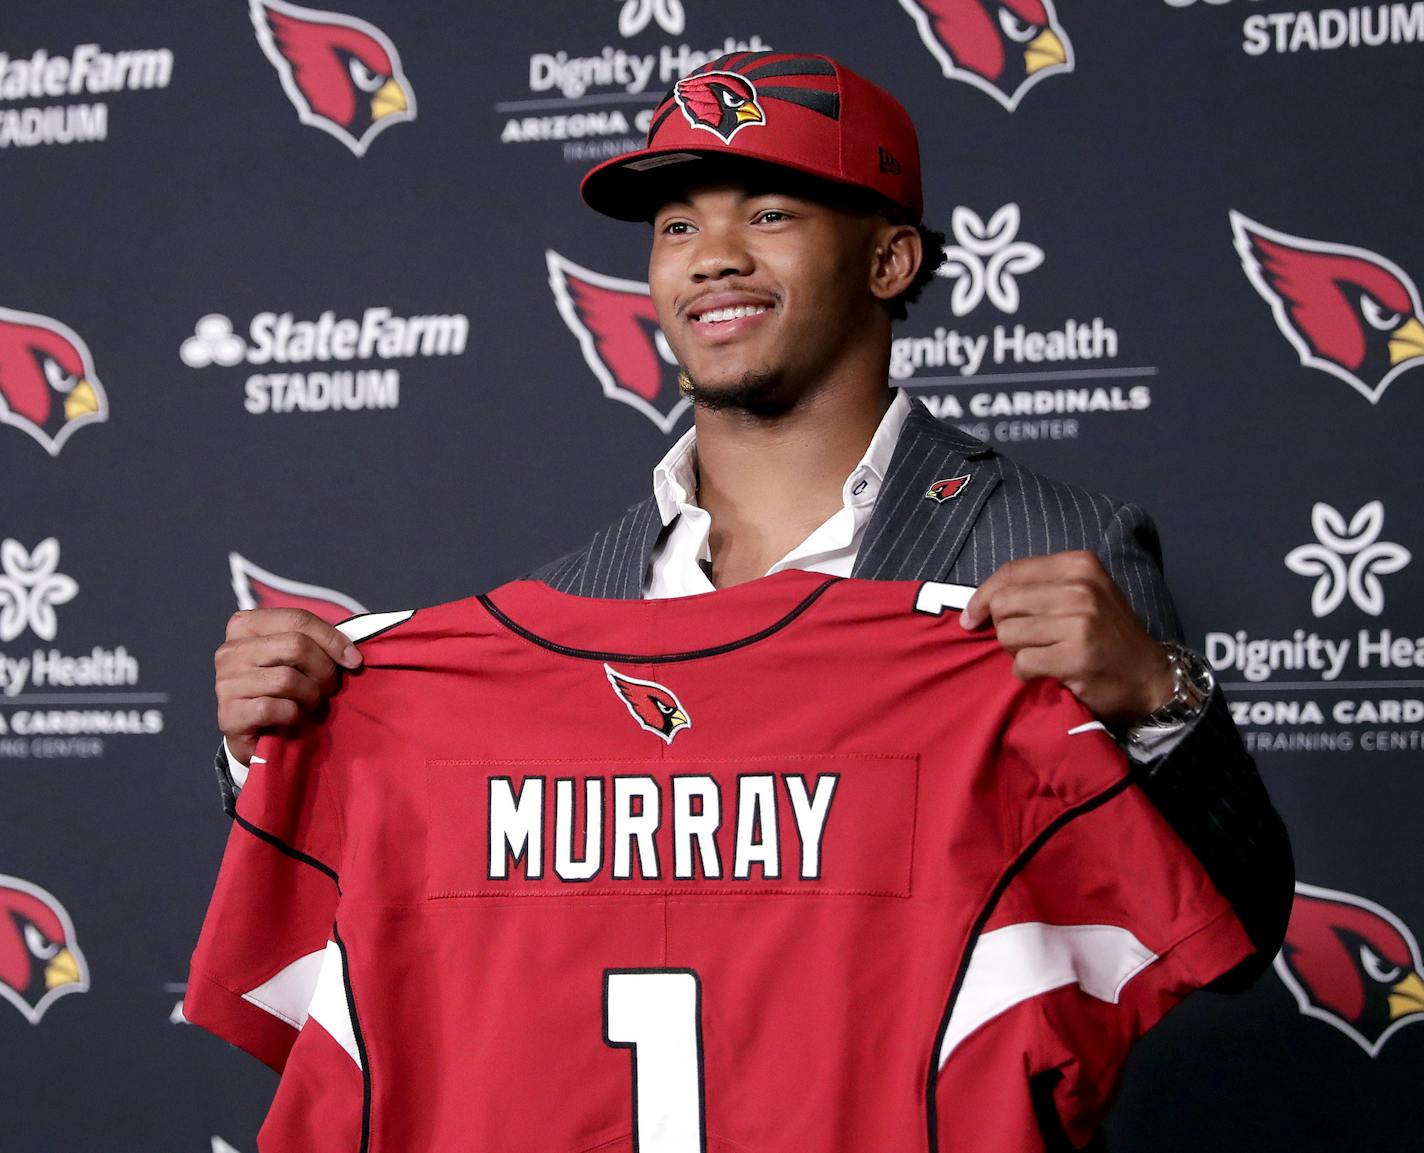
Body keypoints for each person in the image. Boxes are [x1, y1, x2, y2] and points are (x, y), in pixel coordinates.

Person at [210, 49, 1292, 1146]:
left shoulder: (1053, 548)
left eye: (768, 213)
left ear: (887, 259)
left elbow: (1228, 937)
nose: (711, 258)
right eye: (676, 227)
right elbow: (418, 932)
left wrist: (1161, 700)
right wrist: (279, 750)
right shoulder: (578, 595)